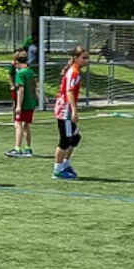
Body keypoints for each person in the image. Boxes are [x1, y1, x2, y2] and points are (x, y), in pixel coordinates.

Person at [51, 47, 88, 179]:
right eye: (84, 58)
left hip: (67, 108)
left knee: (75, 137)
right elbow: (69, 92)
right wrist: (74, 110)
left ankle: (65, 164)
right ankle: (57, 170)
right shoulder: (73, 72)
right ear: (76, 58)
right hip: (65, 109)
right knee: (65, 140)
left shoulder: (75, 70)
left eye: (87, 58)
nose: (86, 60)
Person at [6, 50, 41, 158]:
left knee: (18, 124)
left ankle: (17, 148)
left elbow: (20, 90)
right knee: (26, 125)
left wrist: (18, 106)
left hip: (24, 103)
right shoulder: (30, 71)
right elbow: (35, 86)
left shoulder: (20, 73)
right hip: (31, 103)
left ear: (17, 62)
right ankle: (28, 148)